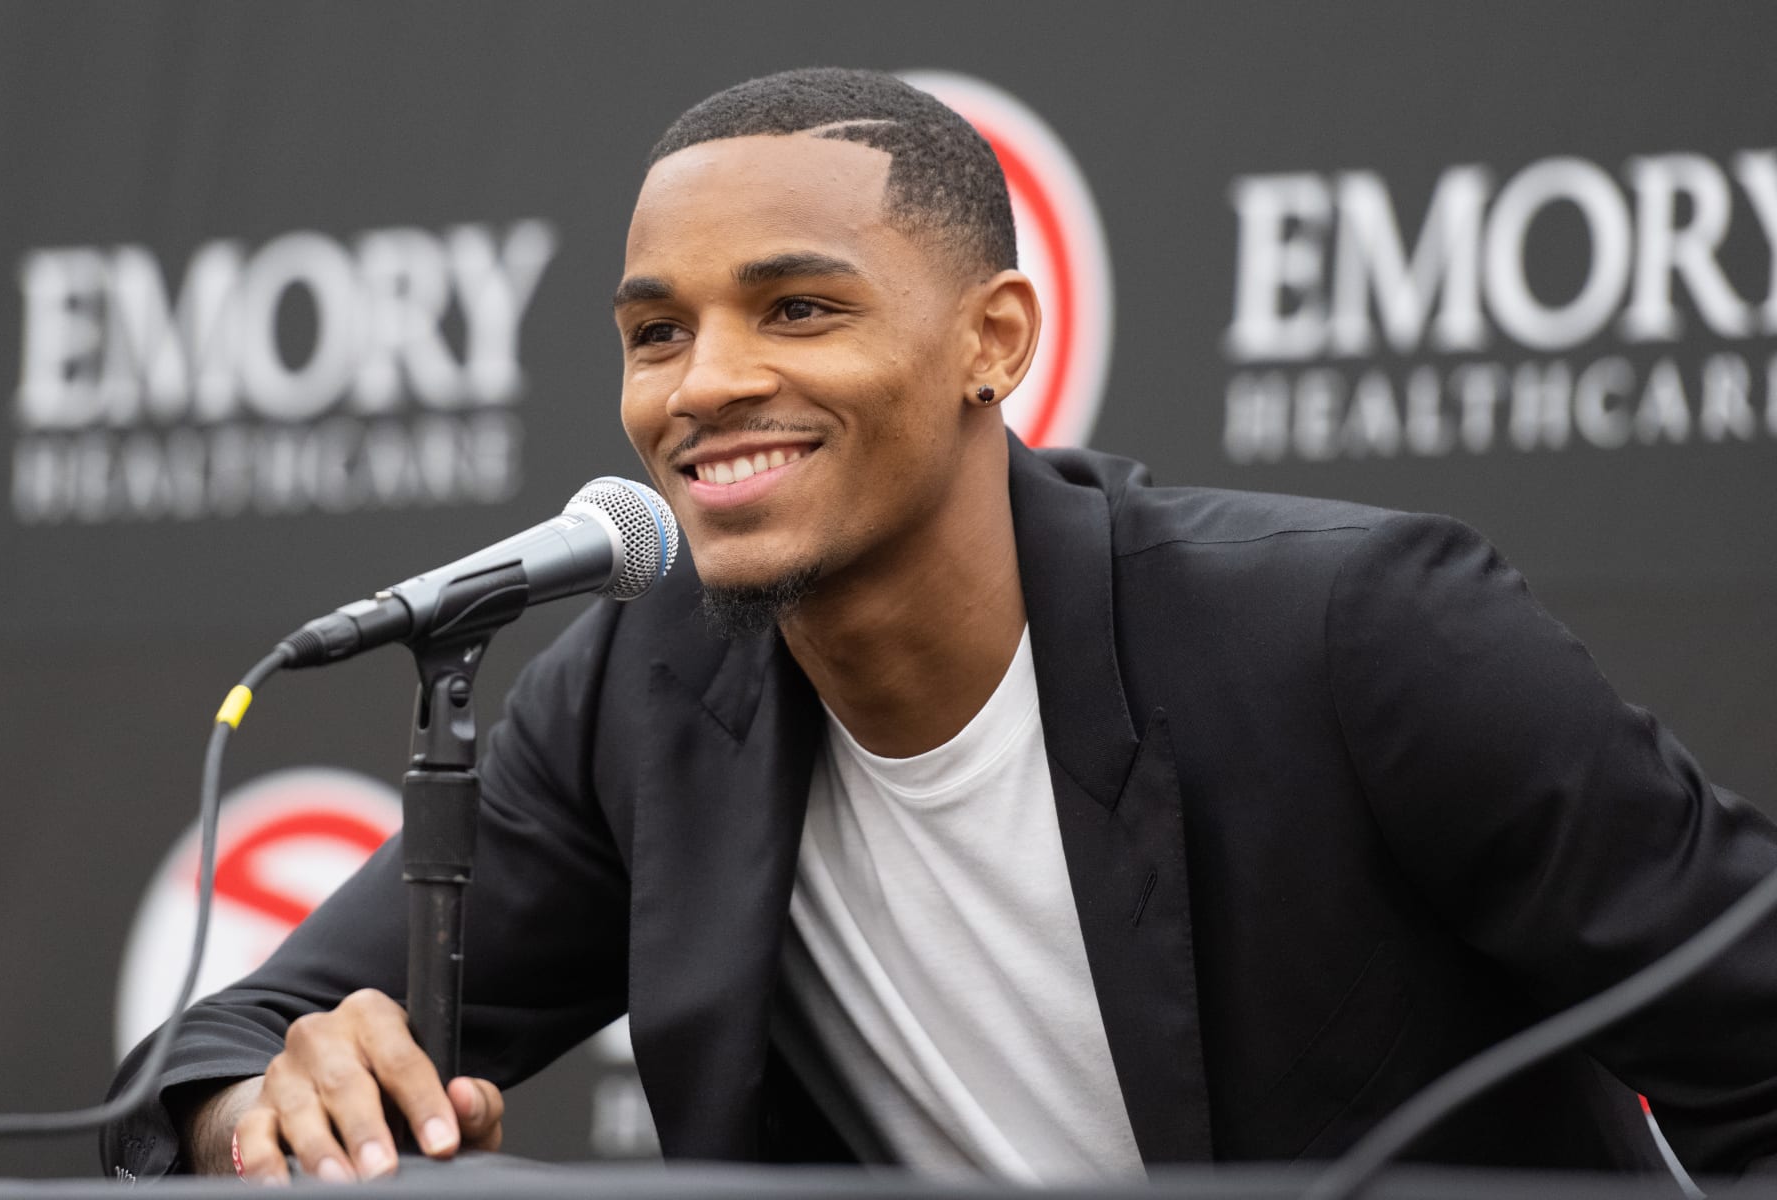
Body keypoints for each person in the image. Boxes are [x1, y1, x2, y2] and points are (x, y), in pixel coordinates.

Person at [105, 67, 1777, 1186]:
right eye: (657, 332)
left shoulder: (1353, 633)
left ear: (996, 340)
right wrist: (275, 1098)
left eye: (798, 308)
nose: (706, 384)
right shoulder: (636, 695)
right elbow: (220, 1046)